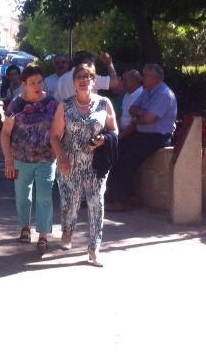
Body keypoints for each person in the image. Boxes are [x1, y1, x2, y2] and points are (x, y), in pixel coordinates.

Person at [50, 62, 118, 267]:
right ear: (73, 82)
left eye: (86, 77)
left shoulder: (104, 103)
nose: (82, 80)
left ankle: (94, 248)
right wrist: (61, 158)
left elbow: (114, 131)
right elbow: (54, 136)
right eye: (78, 77)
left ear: (93, 80)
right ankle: (68, 232)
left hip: (96, 164)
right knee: (70, 204)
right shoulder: (65, 105)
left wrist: (103, 140)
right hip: (69, 163)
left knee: (96, 203)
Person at [0, 66, 58, 254]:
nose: (37, 86)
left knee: (44, 197)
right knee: (22, 196)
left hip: (46, 158)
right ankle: (25, 227)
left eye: (40, 82)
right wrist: (8, 159)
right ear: (24, 84)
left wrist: (60, 151)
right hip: (21, 159)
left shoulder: (52, 103)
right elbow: (5, 134)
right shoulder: (15, 105)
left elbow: (60, 130)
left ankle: (43, 235)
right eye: (32, 83)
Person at [105, 64, 177, 212]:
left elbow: (148, 119)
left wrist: (140, 116)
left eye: (145, 76)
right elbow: (133, 110)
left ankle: (122, 202)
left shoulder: (164, 94)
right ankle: (120, 197)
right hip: (141, 134)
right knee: (113, 153)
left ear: (155, 78)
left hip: (157, 137)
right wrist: (141, 114)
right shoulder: (147, 92)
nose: (142, 79)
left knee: (126, 162)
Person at [55, 51, 121, 102]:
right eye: (93, 64)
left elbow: (56, 100)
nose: (94, 67)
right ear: (88, 63)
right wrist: (109, 64)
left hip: (66, 117)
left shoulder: (61, 80)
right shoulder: (89, 77)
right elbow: (114, 83)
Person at [118, 69, 143, 139]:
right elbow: (121, 114)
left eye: (125, 80)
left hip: (133, 135)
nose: (122, 82)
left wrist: (118, 137)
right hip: (122, 133)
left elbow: (135, 124)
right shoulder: (127, 94)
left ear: (134, 81)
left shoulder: (141, 95)